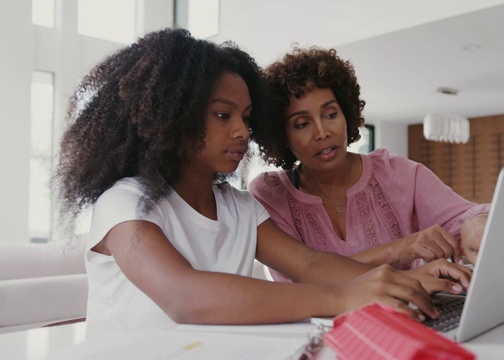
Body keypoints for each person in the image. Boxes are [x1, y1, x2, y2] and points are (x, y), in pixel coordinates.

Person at [54, 28, 473, 326]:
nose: (241, 131)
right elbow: (185, 298)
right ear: (173, 117)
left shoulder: (239, 207)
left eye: (247, 118)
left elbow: (309, 263)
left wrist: (404, 282)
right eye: (223, 115)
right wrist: (346, 296)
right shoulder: (126, 203)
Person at [249, 46, 490, 282]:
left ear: (347, 114)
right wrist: (397, 249)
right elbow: (303, 283)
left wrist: (475, 224)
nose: (322, 132)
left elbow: (463, 216)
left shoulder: (397, 172)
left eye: (331, 114)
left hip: (406, 316)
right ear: (280, 135)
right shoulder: (270, 193)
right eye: (302, 123)